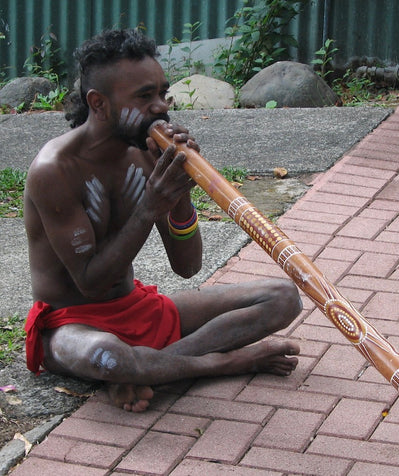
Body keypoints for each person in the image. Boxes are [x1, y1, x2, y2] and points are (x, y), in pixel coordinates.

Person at [23, 29, 302, 412]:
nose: (160, 107)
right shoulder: (54, 170)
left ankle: (145, 371)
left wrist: (182, 190)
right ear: (99, 103)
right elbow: (89, 283)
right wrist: (151, 205)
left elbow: (187, 267)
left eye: (161, 93)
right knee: (110, 356)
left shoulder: (144, 155)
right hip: (73, 324)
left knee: (283, 298)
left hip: (137, 308)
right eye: (143, 97)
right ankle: (222, 363)